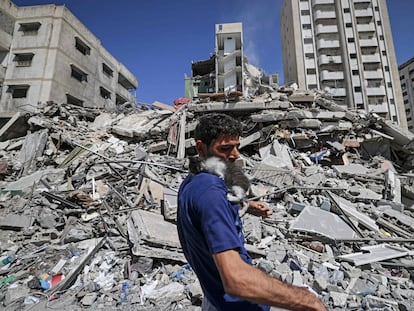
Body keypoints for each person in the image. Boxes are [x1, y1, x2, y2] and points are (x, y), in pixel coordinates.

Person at [177, 113, 327, 311]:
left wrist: (248, 206)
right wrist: (309, 301)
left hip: (213, 295)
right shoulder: (211, 194)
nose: (235, 155)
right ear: (200, 147)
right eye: (225, 148)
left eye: (237, 146)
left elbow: (206, 212)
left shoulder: (193, 181)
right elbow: (236, 280)